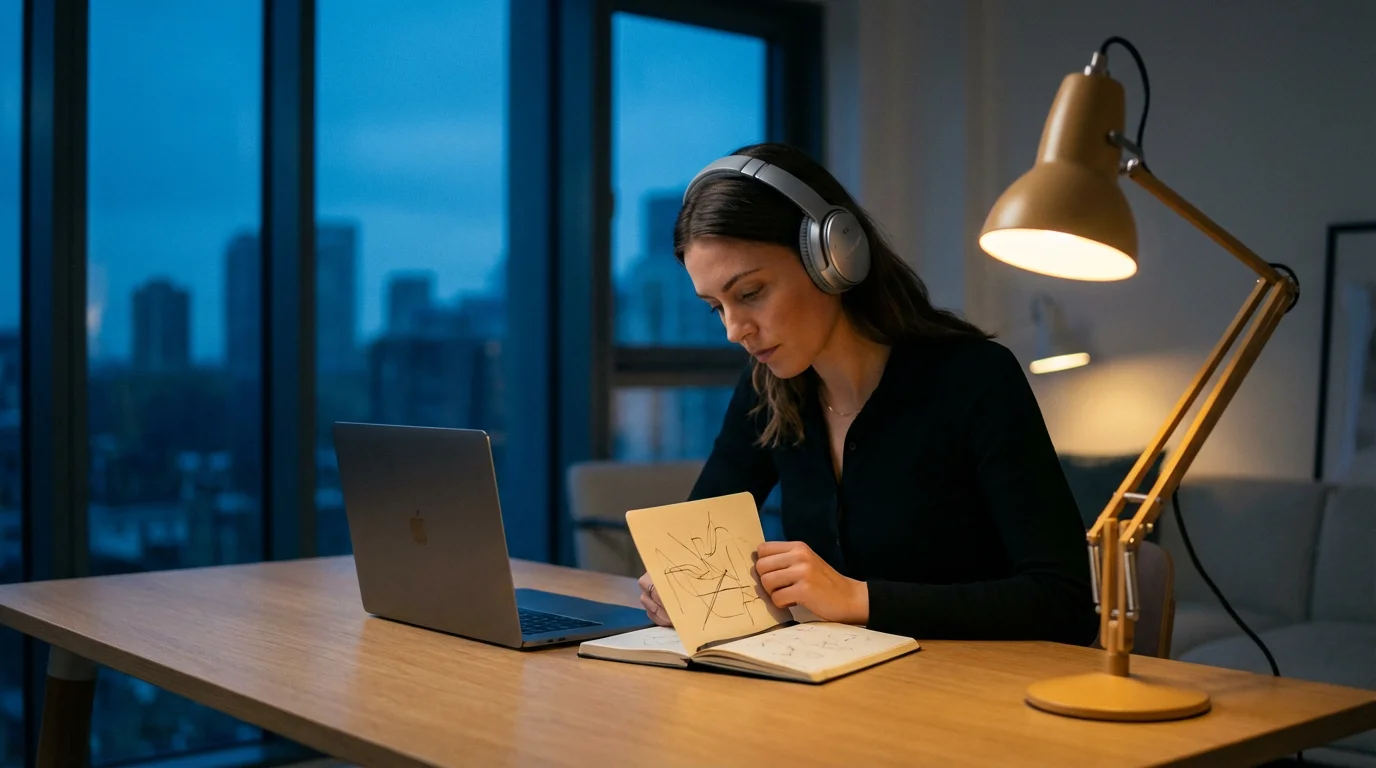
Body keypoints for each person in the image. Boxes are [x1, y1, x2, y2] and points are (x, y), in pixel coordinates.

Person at [637, 142, 1097, 645]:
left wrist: (858, 598)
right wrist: (677, 586)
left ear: (832, 256)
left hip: (973, 698)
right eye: (715, 307)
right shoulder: (765, 390)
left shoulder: (975, 379)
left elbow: (1065, 601)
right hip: (837, 693)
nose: (734, 330)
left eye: (749, 294)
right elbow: (696, 542)